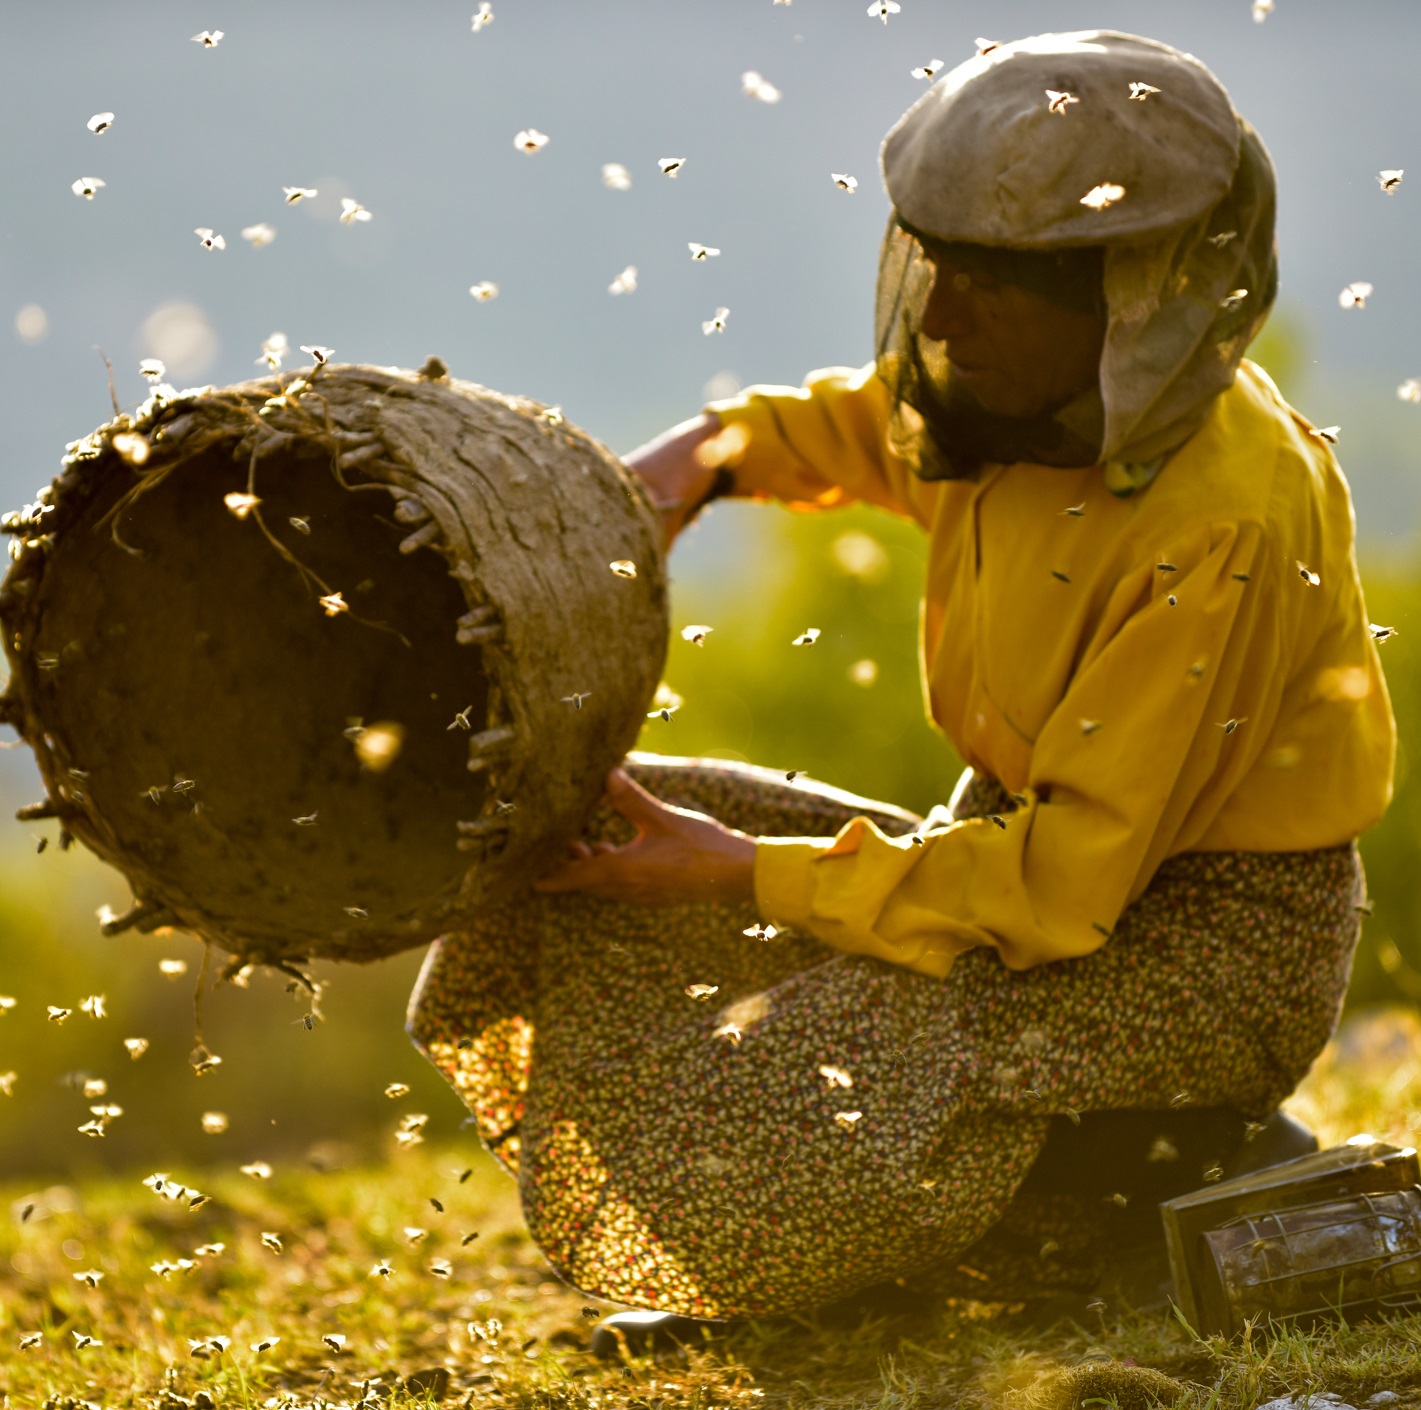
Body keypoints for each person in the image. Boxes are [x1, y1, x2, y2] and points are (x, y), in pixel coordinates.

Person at [408, 30, 1394, 1340]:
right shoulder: (1019, 399)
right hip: (1023, 862)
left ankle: (1194, 1174)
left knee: (839, 1034)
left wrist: (730, 873)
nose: (935, 317)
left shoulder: (1221, 522)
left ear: (1134, 287)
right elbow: (864, 426)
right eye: (938, 266)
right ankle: (1065, 1201)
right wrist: (698, 462)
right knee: (622, 842)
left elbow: (1056, 889)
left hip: (1207, 949)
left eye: (989, 284)